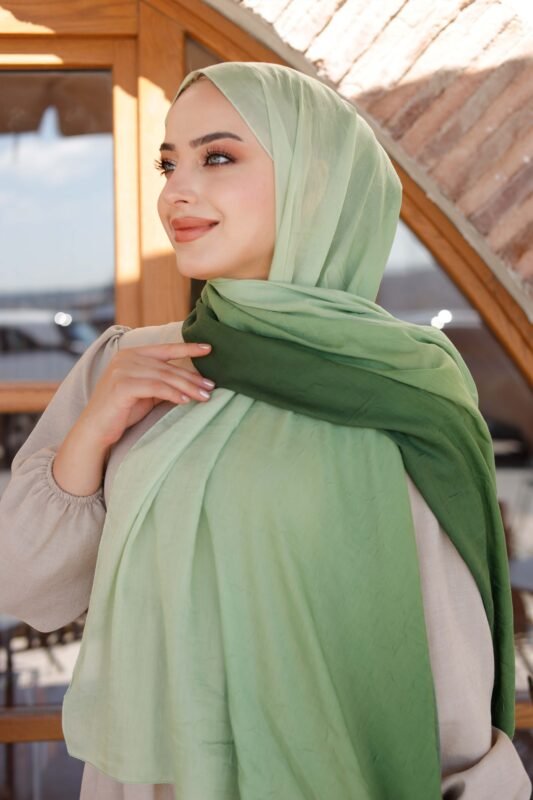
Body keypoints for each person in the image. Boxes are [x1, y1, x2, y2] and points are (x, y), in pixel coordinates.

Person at [0, 62, 530, 800]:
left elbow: (446, 650)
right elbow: (25, 587)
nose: (175, 191)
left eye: (217, 157)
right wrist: (91, 432)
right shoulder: (130, 366)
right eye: (168, 164)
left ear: (316, 182)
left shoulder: (407, 385)